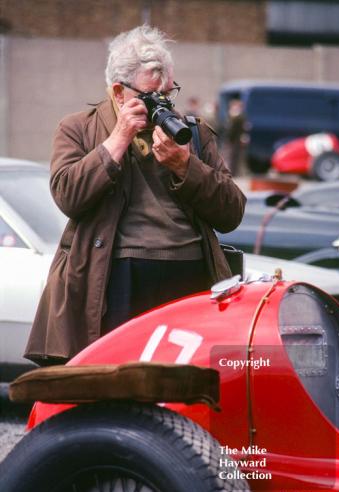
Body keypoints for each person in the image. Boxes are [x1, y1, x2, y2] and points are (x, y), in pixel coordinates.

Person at [24, 25, 246, 366]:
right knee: (115, 382)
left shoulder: (194, 133)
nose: (163, 104)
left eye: (168, 94)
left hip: (188, 276)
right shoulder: (79, 128)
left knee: (182, 388)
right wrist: (117, 140)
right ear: (118, 91)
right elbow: (68, 196)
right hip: (117, 279)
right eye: (152, 96)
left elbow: (232, 212)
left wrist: (186, 166)